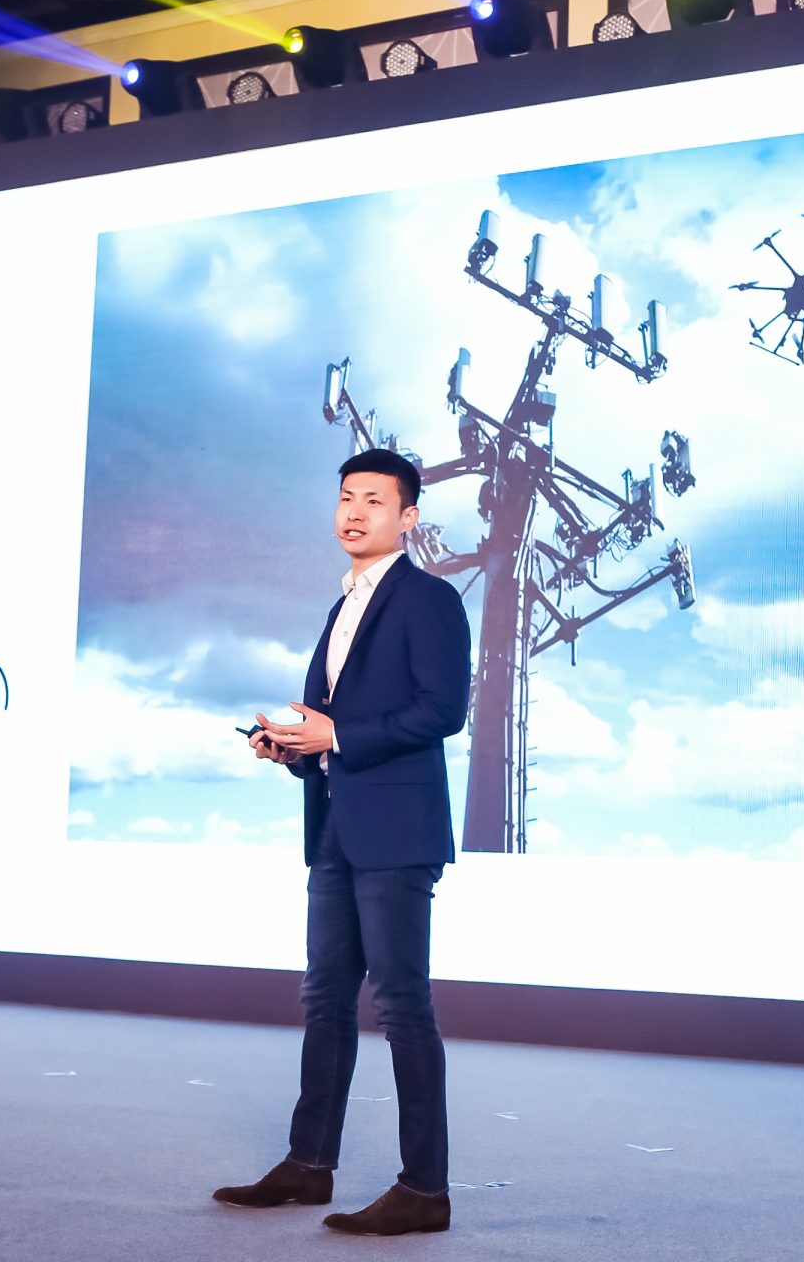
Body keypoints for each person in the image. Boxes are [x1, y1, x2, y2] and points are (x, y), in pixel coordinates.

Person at [211, 448, 471, 1236]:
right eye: (346, 498)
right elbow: (331, 726)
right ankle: (308, 1164)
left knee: (401, 1005)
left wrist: (338, 735)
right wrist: (293, 749)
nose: (354, 512)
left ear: (408, 517)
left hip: (397, 833)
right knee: (324, 999)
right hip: (334, 827)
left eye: (374, 500)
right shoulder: (340, 606)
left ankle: (425, 1189)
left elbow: (443, 711)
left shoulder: (428, 599)